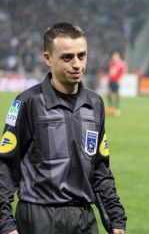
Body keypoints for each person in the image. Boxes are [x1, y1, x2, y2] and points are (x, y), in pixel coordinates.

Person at [0, 22, 126, 234]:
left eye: (82, 55)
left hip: (83, 218)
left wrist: (116, 218)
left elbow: (100, 168)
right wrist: (5, 224)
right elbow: (5, 167)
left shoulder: (95, 104)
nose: (77, 64)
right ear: (48, 58)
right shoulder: (27, 103)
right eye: (67, 57)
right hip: (39, 217)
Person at [107, 51, 127, 116]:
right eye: (113, 57)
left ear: (118, 57)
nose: (114, 58)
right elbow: (110, 72)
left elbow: (123, 72)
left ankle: (117, 108)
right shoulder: (111, 63)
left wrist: (120, 79)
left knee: (117, 94)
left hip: (116, 81)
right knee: (109, 94)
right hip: (111, 81)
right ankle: (111, 107)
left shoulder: (122, 64)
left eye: (115, 56)